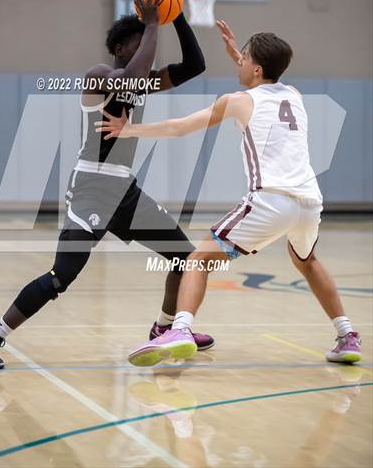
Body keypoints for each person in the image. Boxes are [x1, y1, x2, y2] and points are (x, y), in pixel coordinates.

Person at [0, 0, 214, 369]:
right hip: (92, 188)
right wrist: (152, 21)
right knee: (60, 277)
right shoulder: (100, 76)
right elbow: (133, 76)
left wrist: (176, 15)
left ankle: (165, 328)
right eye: (139, 40)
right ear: (118, 47)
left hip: (125, 189)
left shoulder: (141, 80)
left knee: (185, 259)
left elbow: (195, 65)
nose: (148, 45)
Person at [95, 19, 362, 367]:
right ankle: (346, 336)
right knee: (307, 261)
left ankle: (180, 329)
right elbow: (267, 76)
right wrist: (243, 55)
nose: (238, 62)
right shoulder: (295, 96)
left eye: (244, 58)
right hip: (310, 203)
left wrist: (130, 130)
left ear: (256, 67)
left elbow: (179, 128)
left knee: (196, 259)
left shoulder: (236, 101)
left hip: (271, 200)